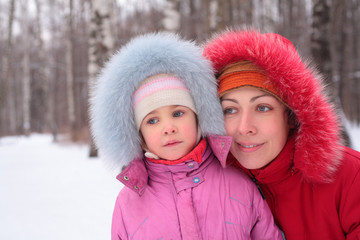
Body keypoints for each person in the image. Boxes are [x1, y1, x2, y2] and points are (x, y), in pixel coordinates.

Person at [89, 32, 283, 240]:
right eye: (152, 121)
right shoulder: (129, 202)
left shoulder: (240, 186)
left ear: (199, 118)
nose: (168, 127)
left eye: (178, 113)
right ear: (140, 137)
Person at [203, 29, 360, 239]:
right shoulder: (205, 187)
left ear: (291, 115)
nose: (244, 127)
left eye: (262, 108)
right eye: (230, 110)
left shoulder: (350, 177)